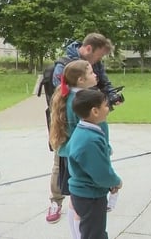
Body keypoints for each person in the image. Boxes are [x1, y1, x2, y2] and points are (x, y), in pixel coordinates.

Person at [46, 33, 117, 223]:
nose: (97, 66)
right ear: (87, 49)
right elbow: (61, 90)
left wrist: (109, 97)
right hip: (70, 139)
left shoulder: (87, 75)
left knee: (76, 195)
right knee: (63, 171)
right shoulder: (68, 70)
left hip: (77, 144)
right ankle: (55, 201)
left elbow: (104, 83)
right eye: (98, 57)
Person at [49, 60, 98, 237]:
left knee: (75, 202)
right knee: (79, 203)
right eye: (91, 72)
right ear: (80, 80)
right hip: (78, 157)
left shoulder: (70, 96)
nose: (95, 75)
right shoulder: (78, 101)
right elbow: (84, 132)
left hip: (70, 154)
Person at [67, 89, 122, 239]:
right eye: (105, 105)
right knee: (95, 234)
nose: (108, 108)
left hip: (83, 194)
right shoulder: (90, 139)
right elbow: (101, 173)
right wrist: (116, 181)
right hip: (90, 196)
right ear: (95, 111)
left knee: (92, 232)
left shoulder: (83, 131)